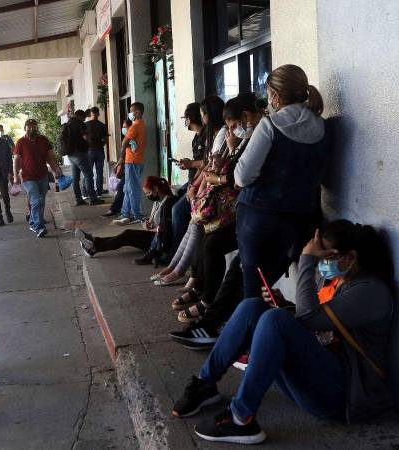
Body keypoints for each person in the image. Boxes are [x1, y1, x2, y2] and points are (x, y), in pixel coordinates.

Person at [172, 221, 395, 445]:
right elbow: (317, 325)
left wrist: (307, 261)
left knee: (275, 320)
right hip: (320, 376)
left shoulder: (370, 292)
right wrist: (285, 305)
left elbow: (310, 319)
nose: (323, 263)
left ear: (350, 257)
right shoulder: (338, 280)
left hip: (344, 397)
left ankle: (240, 419)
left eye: (328, 256)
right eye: (320, 256)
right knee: (253, 307)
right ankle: (205, 383)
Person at [169, 93, 264, 340]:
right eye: (230, 127)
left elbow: (238, 177)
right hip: (250, 212)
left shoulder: (263, 133)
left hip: (256, 215)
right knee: (206, 235)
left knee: (215, 244)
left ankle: (210, 305)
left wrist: (218, 174)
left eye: (234, 125)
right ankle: (198, 288)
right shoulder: (254, 135)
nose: (232, 130)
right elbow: (229, 169)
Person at [234, 64, 329, 299]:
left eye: (268, 94)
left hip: (258, 215)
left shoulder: (270, 125)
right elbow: (320, 175)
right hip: (298, 220)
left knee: (251, 290)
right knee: (267, 279)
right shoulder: (322, 126)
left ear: (275, 96)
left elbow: (243, 176)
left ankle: (247, 332)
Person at [170, 97, 226, 260]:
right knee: (174, 207)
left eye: (203, 115)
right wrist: (193, 186)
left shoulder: (221, 134)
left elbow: (210, 167)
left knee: (182, 213)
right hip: (201, 183)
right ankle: (175, 261)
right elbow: (207, 166)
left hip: (214, 187)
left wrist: (196, 189)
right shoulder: (211, 135)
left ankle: (182, 264)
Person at [76, 176, 177, 264]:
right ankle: (94, 241)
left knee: (127, 235)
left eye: (148, 193)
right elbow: (156, 223)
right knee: (126, 235)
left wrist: (153, 227)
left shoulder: (168, 203)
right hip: (155, 235)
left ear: (156, 189)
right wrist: (148, 224)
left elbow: (165, 228)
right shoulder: (158, 202)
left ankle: (94, 248)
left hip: (159, 240)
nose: (147, 196)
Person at [13, 118, 63, 238]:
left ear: (37, 128)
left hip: (43, 175)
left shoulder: (44, 140)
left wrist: (56, 168)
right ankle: (39, 227)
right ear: (25, 128)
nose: (31, 129)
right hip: (28, 177)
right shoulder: (21, 142)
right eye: (29, 127)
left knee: (41, 200)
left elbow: (50, 156)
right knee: (36, 200)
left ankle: (33, 221)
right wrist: (15, 176)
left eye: (34, 127)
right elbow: (16, 160)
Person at [113, 102, 147, 225]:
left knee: (132, 189)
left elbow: (124, 143)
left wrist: (121, 158)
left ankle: (135, 214)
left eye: (131, 111)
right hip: (134, 160)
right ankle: (126, 212)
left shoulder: (135, 126)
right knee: (128, 188)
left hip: (132, 160)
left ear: (137, 112)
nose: (130, 114)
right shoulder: (141, 124)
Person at [66, 110, 103, 206]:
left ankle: (78, 199)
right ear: (81, 116)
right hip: (80, 153)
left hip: (71, 154)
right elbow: (86, 137)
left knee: (75, 178)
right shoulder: (79, 123)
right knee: (88, 175)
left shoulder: (68, 123)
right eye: (84, 118)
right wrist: (90, 138)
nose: (84, 119)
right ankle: (93, 198)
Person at [103, 118, 131, 218]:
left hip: (130, 166)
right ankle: (118, 209)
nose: (123, 129)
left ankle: (116, 209)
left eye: (125, 127)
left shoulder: (130, 139)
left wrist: (117, 165)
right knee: (123, 188)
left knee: (122, 187)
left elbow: (124, 157)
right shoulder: (128, 138)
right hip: (128, 166)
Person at [85, 106, 108, 195]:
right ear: (98, 114)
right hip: (99, 151)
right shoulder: (102, 125)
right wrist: (101, 144)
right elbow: (105, 140)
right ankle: (99, 191)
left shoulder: (86, 125)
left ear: (91, 114)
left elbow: (84, 138)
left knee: (88, 172)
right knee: (99, 172)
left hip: (89, 151)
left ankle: (87, 192)